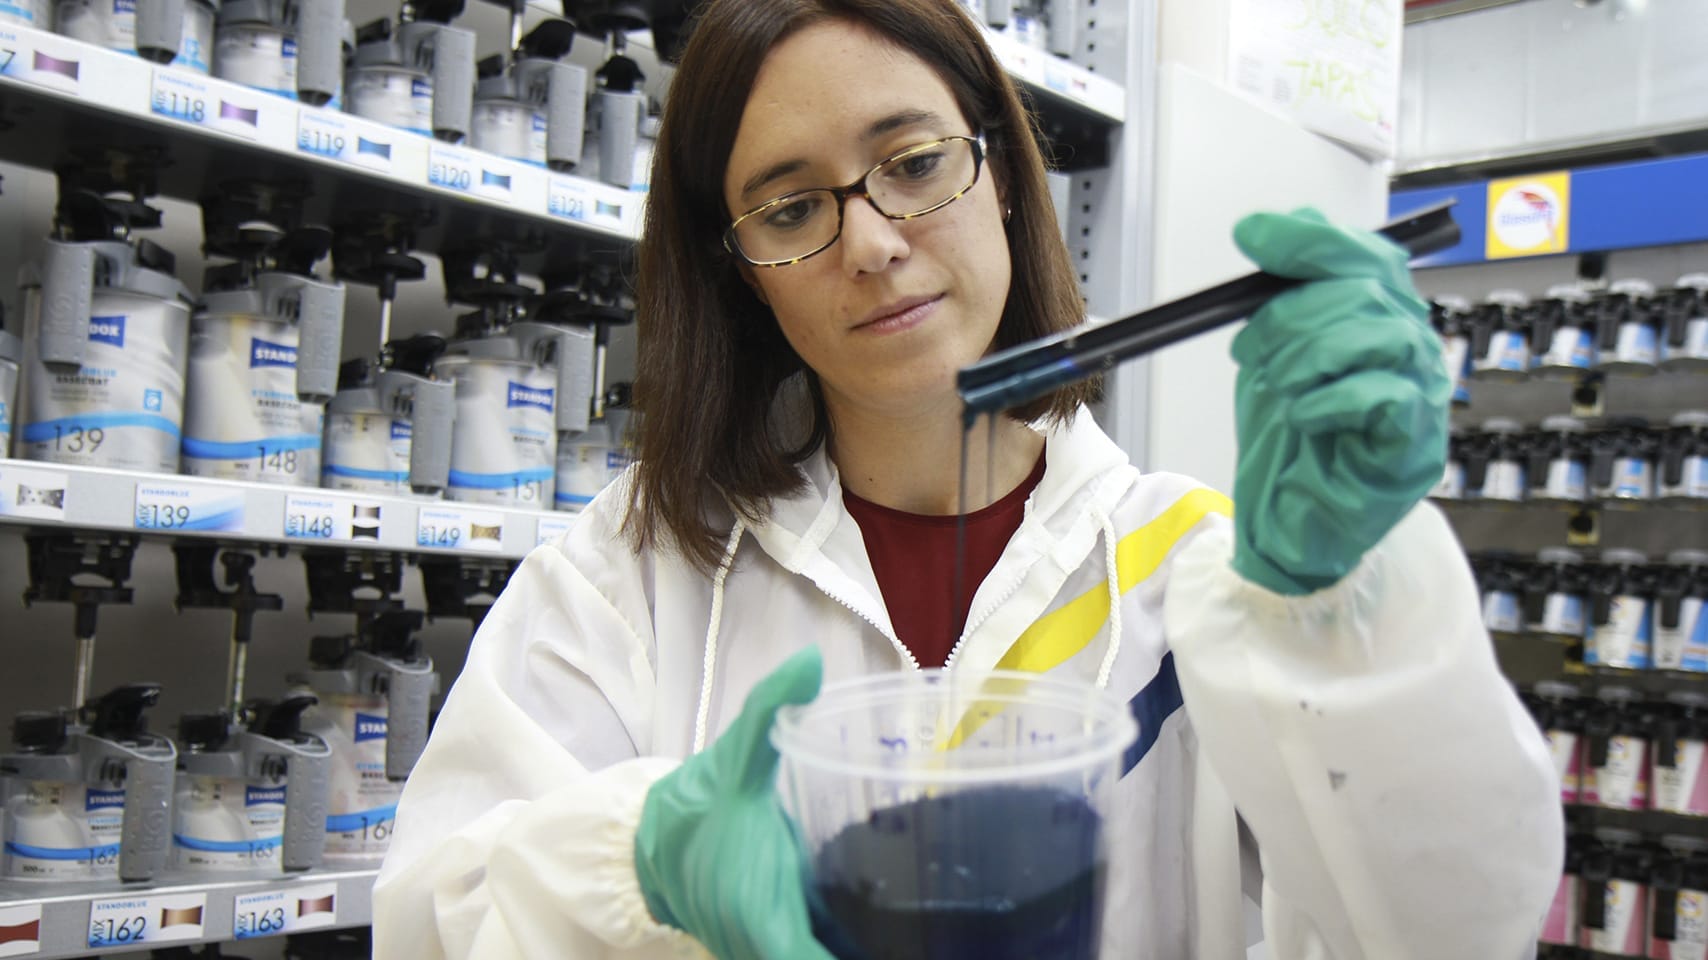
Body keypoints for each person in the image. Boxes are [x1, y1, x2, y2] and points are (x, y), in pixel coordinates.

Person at [372, 0, 1563, 956]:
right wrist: (634, 870)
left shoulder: (1198, 573)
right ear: (745, 273)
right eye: (792, 208)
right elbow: (431, 921)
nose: (876, 242)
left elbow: (1452, 925)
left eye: (914, 160)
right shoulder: (624, 576)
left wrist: (1342, 608)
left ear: (999, 172)